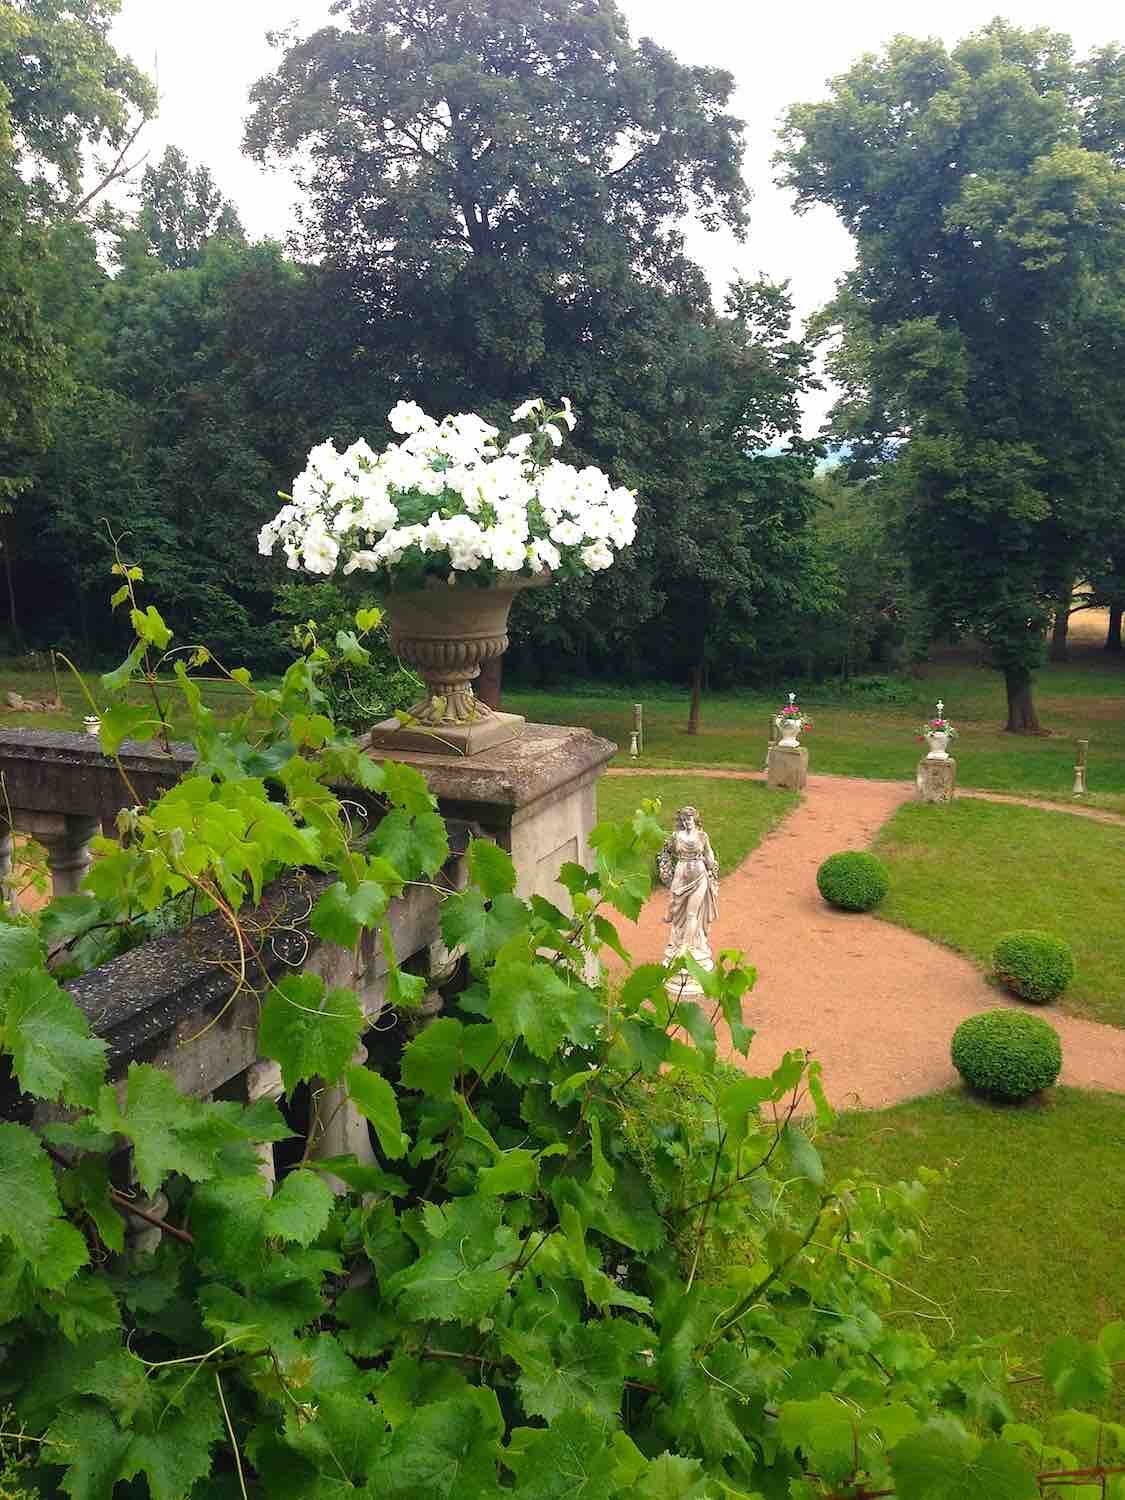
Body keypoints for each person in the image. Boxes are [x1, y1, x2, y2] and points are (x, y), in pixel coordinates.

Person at [657, 806, 719, 968]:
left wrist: (711, 862)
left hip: (699, 875)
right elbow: (666, 851)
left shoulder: (702, 836)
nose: (686, 822)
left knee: (692, 913)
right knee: (675, 907)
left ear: (695, 819)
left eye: (689, 819)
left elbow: (709, 854)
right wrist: (665, 869)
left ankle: (685, 947)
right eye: (684, 820)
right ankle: (675, 939)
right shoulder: (676, 836)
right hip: (681, 873)